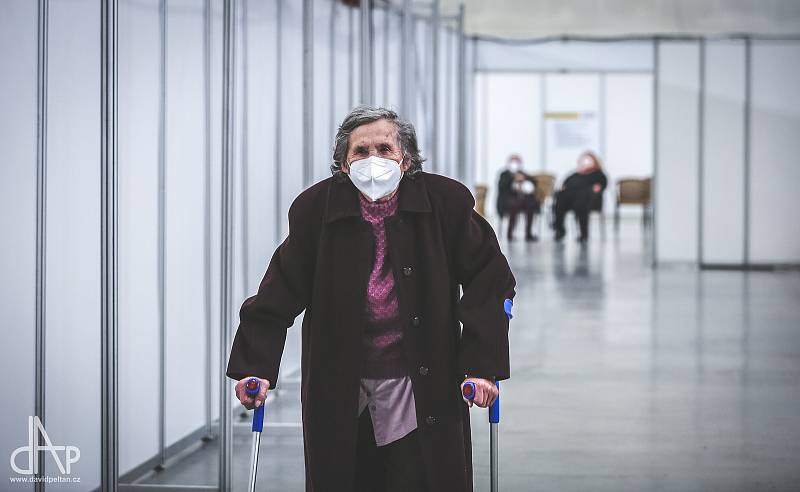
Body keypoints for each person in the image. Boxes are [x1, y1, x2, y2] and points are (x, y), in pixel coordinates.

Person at [226, 106, 516, 492]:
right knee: (345, 477)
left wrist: (481, 365)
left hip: (423, 378)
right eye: (360, 152)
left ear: (406, 159)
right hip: (342, 380)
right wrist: (255, 365)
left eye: (384, 148)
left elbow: (489, 282)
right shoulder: (315, 210)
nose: (373, 160)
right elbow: (279, 291)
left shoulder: (446, 203)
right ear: (343, 165)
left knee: (422, 477)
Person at [553, 151, 607, 243]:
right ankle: (559, 230)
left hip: (588, 201)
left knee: (582, 202)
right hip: (570, 200)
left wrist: (596, 189)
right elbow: (564, 184)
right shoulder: (575, 174)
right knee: (560, 198)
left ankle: (583, 234)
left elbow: (600, 187)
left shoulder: (599, 174)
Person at [497, 154, 539, 241]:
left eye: (517, 162)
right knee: (514, 205)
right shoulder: (504, 174)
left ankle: (528, 234)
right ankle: (510, 234)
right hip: (508, 201)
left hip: (522, 201)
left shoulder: (523, 173)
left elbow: (534, 182)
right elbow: (502, 186)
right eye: (513, 161)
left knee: (530, 205)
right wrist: (513, 179)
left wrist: (524, 179)